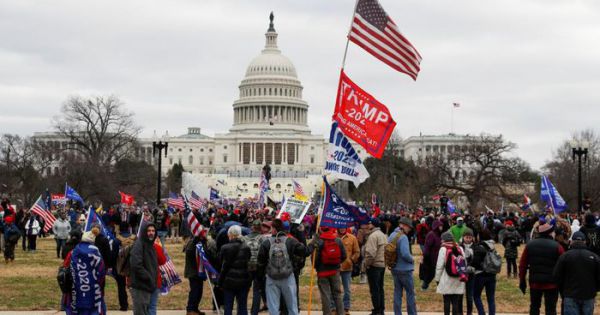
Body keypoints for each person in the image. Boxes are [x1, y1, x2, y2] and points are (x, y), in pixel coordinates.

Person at [257, 218, 305, 315]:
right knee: (292, 305)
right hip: (288, 276)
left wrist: (261, 277)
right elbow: (304, 251)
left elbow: (260, 262)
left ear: (274, 229)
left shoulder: (266, 242)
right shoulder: (290, 241)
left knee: (273, 307)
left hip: (271, 277)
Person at [519, 223, 564, 315]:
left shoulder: (530, 245)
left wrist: (522, 280)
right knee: (551, 309)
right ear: (550, 233)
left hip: (535, 282)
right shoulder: (557, 246)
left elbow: (522, 265)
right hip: (552, 283)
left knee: (534, 307)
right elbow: (563, 264)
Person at [553, 231, 600, 315]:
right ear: (585, 242)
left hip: (570, 295)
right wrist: (594, 290)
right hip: (588, 295)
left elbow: (556, 276)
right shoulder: (594, 257)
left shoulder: (565, 256)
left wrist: (563, 290)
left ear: (572, 241)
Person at [63, 227, 106, 315]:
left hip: (76, 289)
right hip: (93, 290)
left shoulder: (73, 252)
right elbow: (101, 271)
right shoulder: (96, 252)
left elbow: (65, 268)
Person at [129, 223, 167, 315]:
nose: (151, 233)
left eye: (153, 231)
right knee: (141, 311)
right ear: (144, 232)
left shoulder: (152, 246)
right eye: (149, 231)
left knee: (150, 309)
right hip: (141, 285)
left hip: (151, 284)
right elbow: (136, 265)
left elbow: (160, 262)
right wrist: (148, 277)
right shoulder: (139, 244)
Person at [309, 227, 347, 315]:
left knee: (325, 295)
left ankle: (327, 313)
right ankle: (341, 313)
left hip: (322, 272)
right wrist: (337, 263)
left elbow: (315, 258)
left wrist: (317, 267)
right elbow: (344, 256)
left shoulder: (318, 241)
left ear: (321, 229)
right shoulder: (337, 240)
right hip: (335, 271)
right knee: (337, 294)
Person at [219, 225, 252, 315]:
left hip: (229, 280)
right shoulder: (246, 248)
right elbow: (247, 263)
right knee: (242, 306)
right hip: (243, 280)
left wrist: (220, 281)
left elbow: (222, 266)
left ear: (231, 235)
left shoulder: (224, 248)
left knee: (228, 306)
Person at [389, 217, 417, 315]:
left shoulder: (392, 235)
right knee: (410, 294)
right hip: (405, 270)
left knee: (397, 293)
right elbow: (405, 254)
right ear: (404, 226)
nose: (409, 230)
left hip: (394, 268)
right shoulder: (403, 237)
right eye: (409, 227)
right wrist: (412, 259)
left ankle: (397, 313)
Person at [435, 231, 466, 315]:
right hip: (458, 278)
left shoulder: (443, 249)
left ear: (443, 239)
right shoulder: (460, 248)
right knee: (455, 302)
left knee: (447, 301)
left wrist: (437, 279)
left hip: (447, 278)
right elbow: (464, 264)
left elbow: (439, 266)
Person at [364, 217, 387, 315]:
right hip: (382, 265)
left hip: (374, 265)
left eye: (369, 223)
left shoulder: (373, 236)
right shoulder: (383, 235)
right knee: (380, 289)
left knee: (374, 290)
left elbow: (371, 253)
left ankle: (377, 310)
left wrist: (366, 264)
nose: (368, 225)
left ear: (372, 225)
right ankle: (381, 309)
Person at [471, 229, 497, 315]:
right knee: (491, 298)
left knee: (476, 295)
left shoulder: (479, 247)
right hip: (492, 274)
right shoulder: (492, 246)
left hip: (480, 274)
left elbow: (476, 262)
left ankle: (482, 313)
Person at [246, 220, 267, 315]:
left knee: (244, 291)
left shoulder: (244, 238)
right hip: (258, 268)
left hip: (246, 267)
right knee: (257, 291)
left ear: (252, 227)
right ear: (260, 228)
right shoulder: (263, 239)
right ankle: (254, 312)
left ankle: (241, 311)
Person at [338, 226, 360, 314]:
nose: (342, 228)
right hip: (336, 267)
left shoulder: (352, 238)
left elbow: (357, 251)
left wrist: (351, 260)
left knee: (347, 289)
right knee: (335, 289)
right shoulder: (334, 237)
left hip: (347, 268)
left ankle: (346, 308)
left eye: (344, 227)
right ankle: (334, 308)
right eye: (340, 227)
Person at [184, 231, 206, 315]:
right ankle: (190, 309)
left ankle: (195, 308)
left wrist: (203, 242)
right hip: (192, 272)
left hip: (199, 272)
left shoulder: (200, 243)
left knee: (199, 291)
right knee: (194, 291)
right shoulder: (191, 243)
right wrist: (195, 241)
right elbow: (189, 252)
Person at [422, 219, 443, 290]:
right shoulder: (431, 235)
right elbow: (427, 247)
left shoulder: (439, 235)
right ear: (437, 226)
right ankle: (424, 286)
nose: (441, 227)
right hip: (431, 258)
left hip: (438, 258)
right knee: (430, 274)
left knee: (438, 273)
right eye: (440, 226)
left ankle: (440, 287)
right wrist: (426, 257)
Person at [461, 228, 475, 315]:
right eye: (466, 237)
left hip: (471, 274)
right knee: (460, 295)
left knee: (469, 296)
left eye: (470, 237)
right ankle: (460, 312)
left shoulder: (475, 247)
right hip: (461, 274)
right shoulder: (460, 246)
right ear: (463, 237)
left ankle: (469, 312)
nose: (468, 239)